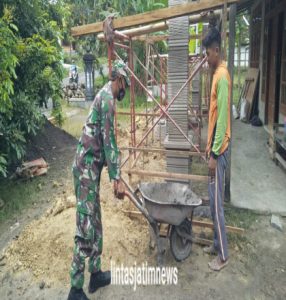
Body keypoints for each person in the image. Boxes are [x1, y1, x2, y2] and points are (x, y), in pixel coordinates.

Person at [67, 60, 129, 300]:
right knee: (85, 226)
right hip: (85, 171)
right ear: (119, 80)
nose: (126, 89)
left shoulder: (107, 98)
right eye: (125, 84)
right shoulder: (106, 100)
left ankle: (95, 274)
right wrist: (117, 178)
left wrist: (115, 175)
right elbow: (109, 141)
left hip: (91, 171)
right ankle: (74, 289)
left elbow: (107, 144)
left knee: (96, 222)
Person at [202, 27, 231, 271]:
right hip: (214, 148)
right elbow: (213, 116)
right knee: (212, 201)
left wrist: (213, 153)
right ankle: (215, 242)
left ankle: (223, 256)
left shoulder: (222, 76)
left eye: (208, 53)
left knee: (217, 204)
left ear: (217, 50)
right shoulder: (216, 74)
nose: (206, 58)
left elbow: (222, 119)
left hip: (219, 153)